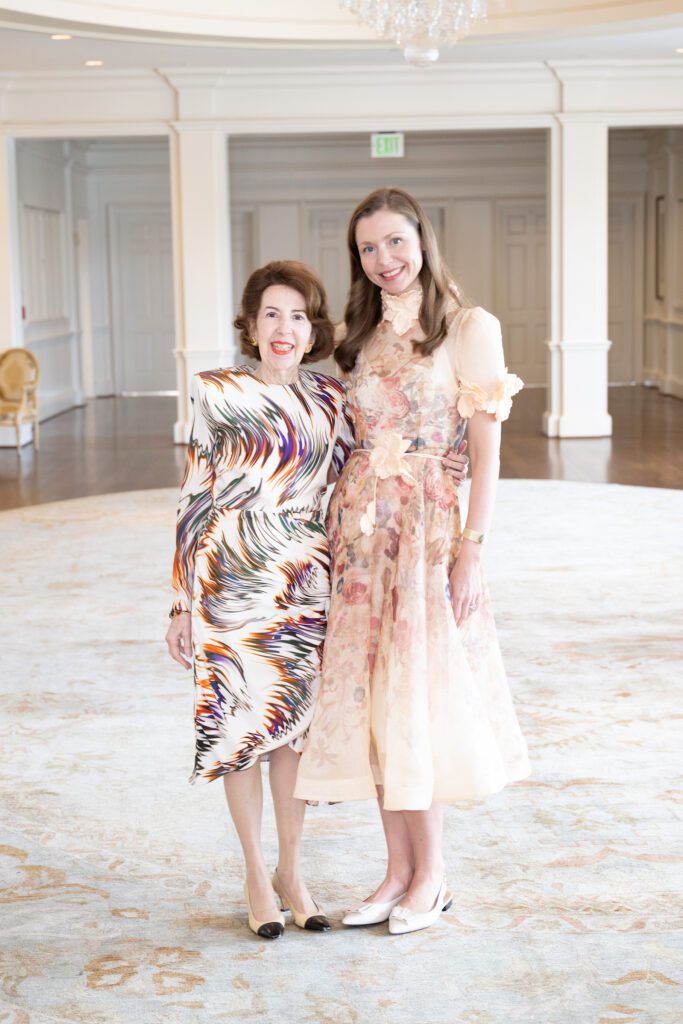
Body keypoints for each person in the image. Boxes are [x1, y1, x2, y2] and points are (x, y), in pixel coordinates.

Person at [295, 188, 531, 935]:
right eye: (368, 249)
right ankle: (395, 870)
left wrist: (472, 549)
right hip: (361, 534)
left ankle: (433, 874)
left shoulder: (468, 328)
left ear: (421, 240)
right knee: (371, 701)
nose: (384, 260)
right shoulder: (357, 338)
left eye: (395, 241)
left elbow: (487, 454)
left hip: (427, 533)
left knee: (413, 694)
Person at [165, 260, 353, 939]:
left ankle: (292, 869)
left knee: (293, 734)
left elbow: (346, 495)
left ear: (313, 328)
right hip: (229, 582)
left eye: (298, 315)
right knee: (239, 734)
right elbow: (193, 499)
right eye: (271, 314)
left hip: (303, 587)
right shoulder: (216, 392)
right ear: (249, 324)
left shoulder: (333, 402)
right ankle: (253, 870)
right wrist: (180, 602)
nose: (284, 328)